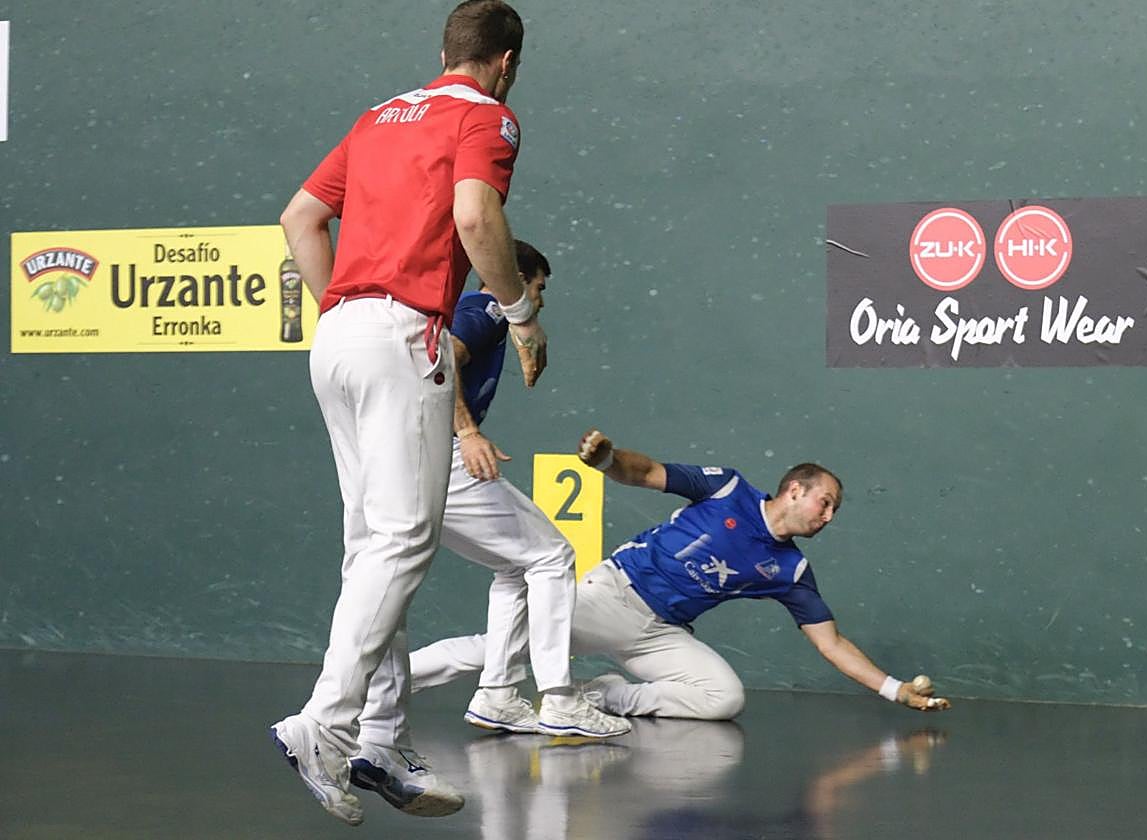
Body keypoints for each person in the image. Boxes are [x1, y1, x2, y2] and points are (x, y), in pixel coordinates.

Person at [270, 1, 546, 827]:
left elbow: (300, 219)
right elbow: (474, 216)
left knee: (373, 548)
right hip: (402, 334)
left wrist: (349, 316)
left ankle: (380, 738)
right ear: (506, 62)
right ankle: (324, 723)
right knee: (402, 541)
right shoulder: (490, 118)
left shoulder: (378, 116)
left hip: (339, 334)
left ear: (442, 51)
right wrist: (521, 311)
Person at [410, 429, 952, 720]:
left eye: (834, 510)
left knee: (722, 697)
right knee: (496, 652)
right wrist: (607, 459)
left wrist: (894, 689)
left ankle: (602, 697)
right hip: (614, 596)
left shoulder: (791, 570)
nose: (829, 517)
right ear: (795, 491)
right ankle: (377, 682)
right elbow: (645, 472)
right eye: (826, 503)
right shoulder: (726, 489)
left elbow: (831, 644)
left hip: (661, 634)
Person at [437, 239, 628, 738]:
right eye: (538, 288)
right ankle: (560, 699)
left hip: (421, 463)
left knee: (514, 566)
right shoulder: (486, 309)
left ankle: (497, 694)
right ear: (516, 281)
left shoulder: (475, 312)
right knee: (552, 557)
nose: (538, 302)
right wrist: (468, 431)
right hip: (446, 458)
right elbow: (442, 364)